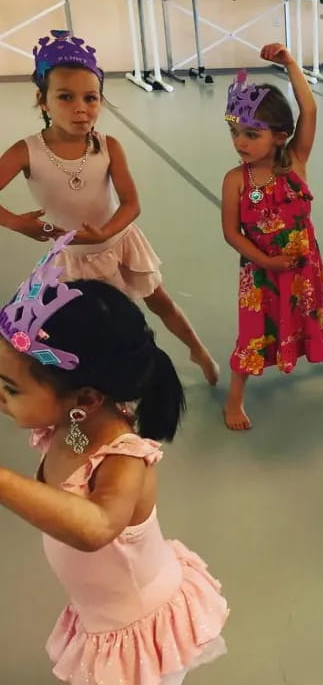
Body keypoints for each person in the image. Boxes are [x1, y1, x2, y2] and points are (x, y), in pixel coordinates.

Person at [0, 233, 228, 684]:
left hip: (138, 628)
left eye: (10, 389)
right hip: (100, 610)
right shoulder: (71, 423)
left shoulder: (123, 460)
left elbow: (98, 527)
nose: (0, 398)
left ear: (85, 397)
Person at [0, 30, 218, 385]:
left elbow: (131, 203)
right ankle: (99, 384)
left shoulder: (108, 146)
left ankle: (196, 348)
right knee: (88, 325)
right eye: (65, 97)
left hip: (119, 244)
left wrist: (105, 232)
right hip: (71, 259)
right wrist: (14, 222)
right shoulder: (26, 151)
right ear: (43, 101)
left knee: (159, 301)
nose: (81, 108)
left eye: (91, 98)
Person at [220, 44, 323, 431]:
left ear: (280, 136)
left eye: (251, 134)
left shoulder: (295, 162)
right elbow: (230, 232)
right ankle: (234, 399)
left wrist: (291, 64)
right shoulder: (236, 180)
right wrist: (265, 261)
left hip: (303, 267)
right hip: (260, 275)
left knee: (320, 310)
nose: (240, 142)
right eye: (235, 132)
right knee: (253, 333)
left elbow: (309, 110)